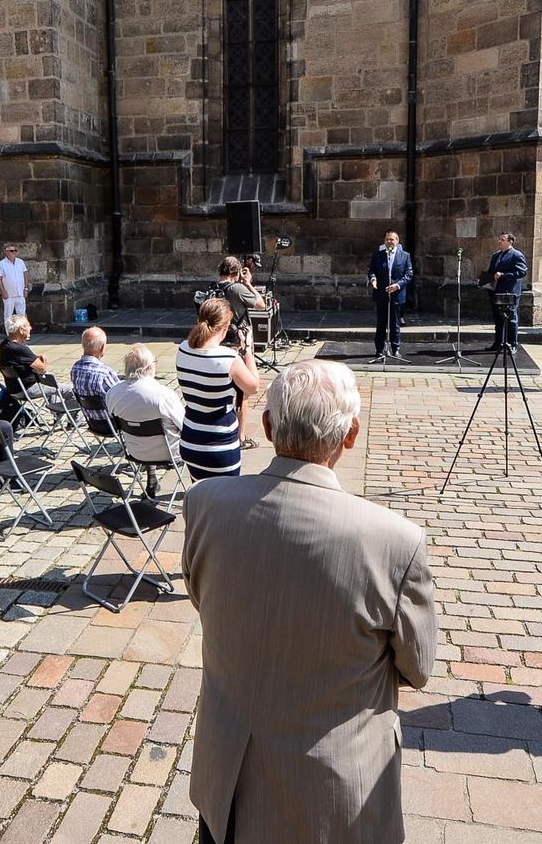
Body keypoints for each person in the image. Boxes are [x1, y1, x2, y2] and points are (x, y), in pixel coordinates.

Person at [183, 359, 437, 843]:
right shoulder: (395, 542)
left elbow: (204, 598)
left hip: (227, 782)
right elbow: (417, 668)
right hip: (331, 799)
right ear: (351, 435)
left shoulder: (205, 503)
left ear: (266, 425)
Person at [176, 298, 260, 481]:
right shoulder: (229, 358)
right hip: (220, 444)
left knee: (200, 496)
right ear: (225, 326)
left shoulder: (182, 349)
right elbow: (253, 386)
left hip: (191, 439)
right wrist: (248, 350)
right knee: (225, 503)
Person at [105, 343, 183, 462]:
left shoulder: (112, 393)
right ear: (150, 367)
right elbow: (184, 426)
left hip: (134, 452)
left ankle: (151, 474)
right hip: (169, 454)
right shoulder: (164, 395)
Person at [218, 256, 267, 445]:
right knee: (242, 391)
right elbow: (261, 305)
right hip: (239, 343)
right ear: (237, 272)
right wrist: (248, 283)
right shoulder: (236, 289)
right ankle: (240, 436)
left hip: (219, 339)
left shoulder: (213, 288)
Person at [367, 230, 414, 357]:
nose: (389, 242)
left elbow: (409, 275)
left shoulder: (405, 256)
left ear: (397, 241)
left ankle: (396, 349)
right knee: (381, 323)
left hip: (397, 295)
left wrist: (397, 285)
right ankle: (379, 350)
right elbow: (372, 271)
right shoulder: (378, 255)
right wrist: (373, 279)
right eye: (387, 239)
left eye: (392, 239)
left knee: (395, 324)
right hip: (381, 294)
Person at [69, 326, 120, 435]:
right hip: (112, 424)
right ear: (102, 348)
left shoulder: (75, 368)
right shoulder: (104, 373)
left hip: (92, 422)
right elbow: (121, 397)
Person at [484, 232, 528, 352]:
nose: (499, 241)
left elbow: (521, 272)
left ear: (510, 242)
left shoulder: (516, 255)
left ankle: (513, 344)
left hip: (509, 292)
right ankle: (498, 342)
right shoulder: (496, 255)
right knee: (498, 318)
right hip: (496, 291)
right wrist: (484, 279)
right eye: (499, 239)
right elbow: (491, 271)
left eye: (502, 239)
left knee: (511, 318)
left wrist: (503, 275)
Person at [0, 243, 28, 324]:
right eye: (11, 251)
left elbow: (25, 275)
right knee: (8, 316)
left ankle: (22, 335)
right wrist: (3, 292)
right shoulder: (1, 264)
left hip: (20, 293)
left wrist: (26, 288)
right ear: (6, 252)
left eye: (15, 250)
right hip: (9, 295)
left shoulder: (20, 262)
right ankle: (10, 335)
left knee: (22, 315)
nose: (14, 252)